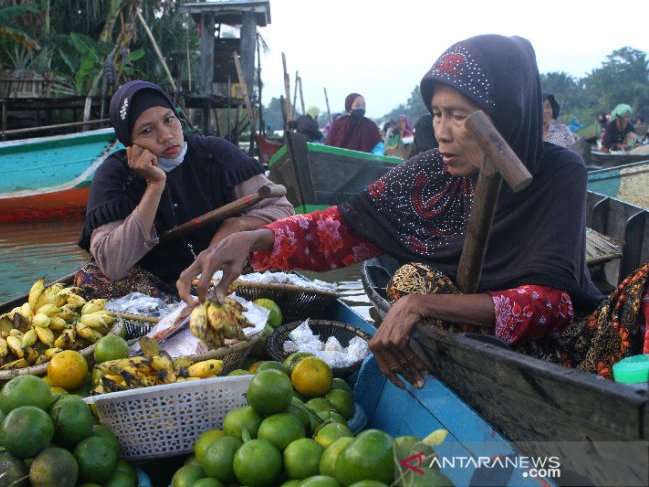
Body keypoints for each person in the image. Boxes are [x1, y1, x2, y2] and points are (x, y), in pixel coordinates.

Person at [178, 35, 649, 390]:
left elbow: (554, 306)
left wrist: (420, 306)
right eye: (437, 113)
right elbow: (341, 229)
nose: (442, 131)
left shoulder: (556, 171)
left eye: (460, 115)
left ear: (508, 115)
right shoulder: (428, 173)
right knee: (408, 280)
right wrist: (252, 239)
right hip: (472, 335)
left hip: (566, 344)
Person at [75, 80, 294, 298]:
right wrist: (154, 186)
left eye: (169, 120)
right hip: (157, 288)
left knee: (280, 254)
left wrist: (238, 224)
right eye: (147, 130)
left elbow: (284, 212)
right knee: (91, 278)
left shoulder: (215, 153)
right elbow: (112, 264)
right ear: (130, 143)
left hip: (224, 275)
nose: (165, 135)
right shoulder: (115, 175)